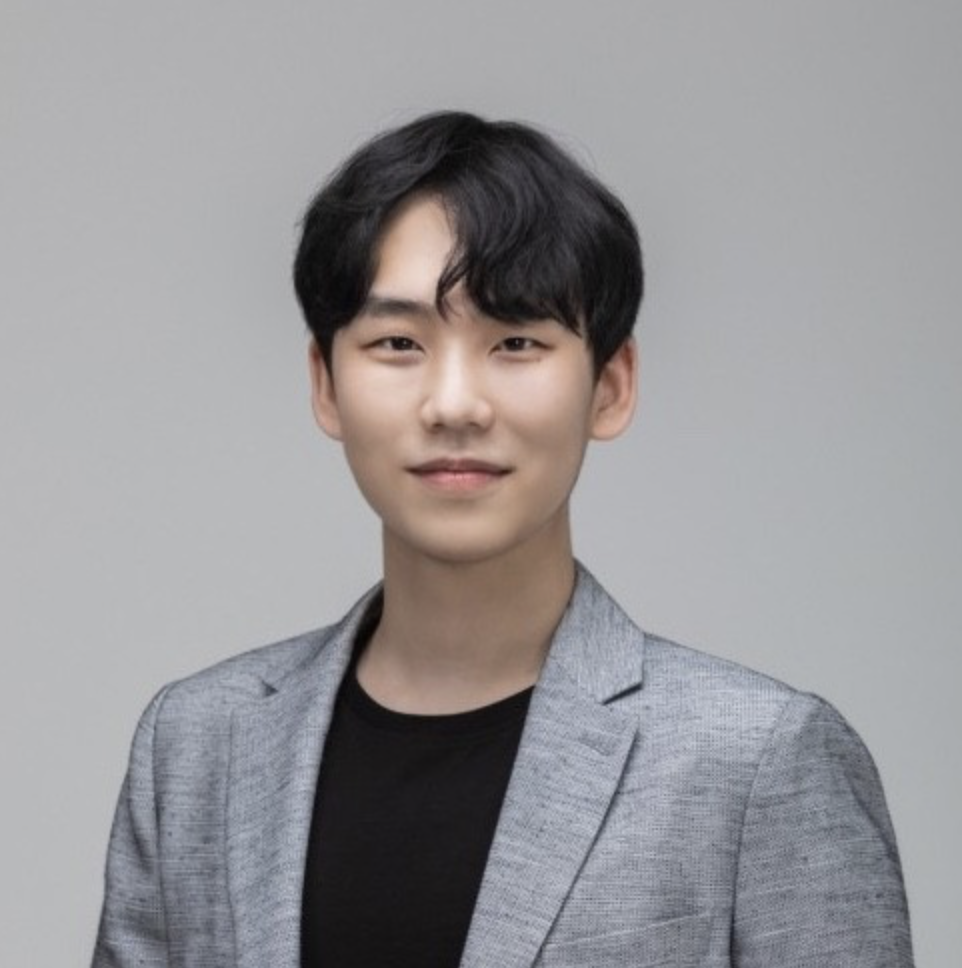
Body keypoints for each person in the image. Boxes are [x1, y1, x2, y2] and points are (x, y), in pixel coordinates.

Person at [91, 112, 914, 968]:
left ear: (611, 385)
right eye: (398, 342)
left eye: (516, 341)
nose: (455, 404)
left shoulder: (757, 760)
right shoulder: (196, 745)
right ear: (325, 384)